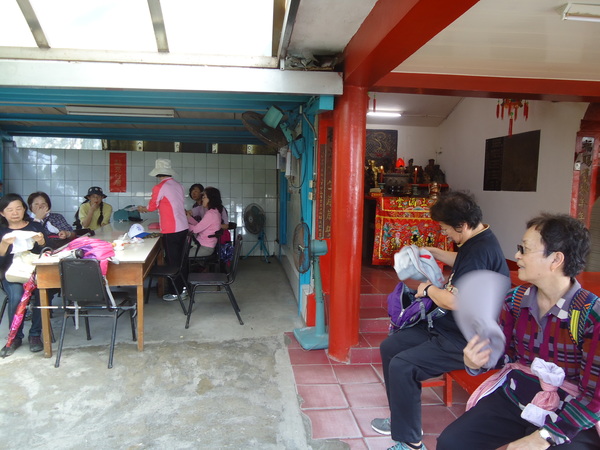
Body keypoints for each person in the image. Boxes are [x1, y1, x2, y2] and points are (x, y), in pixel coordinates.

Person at [438, 214, 600, 450]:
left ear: (556, 259)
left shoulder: (590, 315)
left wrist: (544, 437)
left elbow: (593, 397)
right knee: (452, 442)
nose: (517, 256)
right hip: (518, 398)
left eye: (525, 249)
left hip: (569, 414)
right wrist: (478, 361)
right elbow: (508, 357)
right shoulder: (515, 300)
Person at [371, 190, 509, 450]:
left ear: (462, 225)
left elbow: (454, 301)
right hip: (447, 327)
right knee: (390, 347)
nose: (445, 233)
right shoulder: (477, 240)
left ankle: (411, 443)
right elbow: (463, 261)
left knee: (403, 366)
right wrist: (433, 252)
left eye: (446, 229)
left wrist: (427, 289)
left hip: (468, 339)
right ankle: (402, 419)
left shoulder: (480, 250)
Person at [0, 193, 47, 355]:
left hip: (35, 272)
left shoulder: (35, 227)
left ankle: (35, 334)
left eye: (18, 208)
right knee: (16, 295)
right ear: (2, 213)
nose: (15, 213)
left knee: (42, 293)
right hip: (11, 274)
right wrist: (4, 245)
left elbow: (49, 250)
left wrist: (41, 242)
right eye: (10, 209)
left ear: (24, 209)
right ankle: (15, 337)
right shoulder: (2, 231)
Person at [137, 159, 188, 302]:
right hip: (183, 227)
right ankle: (184, 288)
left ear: (157, 174)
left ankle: (176, 292)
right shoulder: (179, 185)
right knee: (182, 260)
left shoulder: (159, 187)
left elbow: (152, 206)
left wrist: (142, 208)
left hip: (171, 229)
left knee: (172, 262)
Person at [188, 187, 228, 256]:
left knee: (182, 255)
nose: (202, 199)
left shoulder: (211, 214)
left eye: (204, 197)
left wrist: (185, 225)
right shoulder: (214, 211)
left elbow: (195, 230)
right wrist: (188, 218)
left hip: (204, 247)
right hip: (203, 245)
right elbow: (199, 225)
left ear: (211, 199)